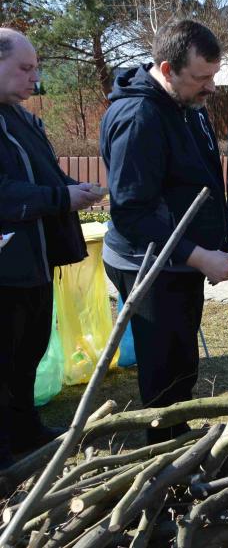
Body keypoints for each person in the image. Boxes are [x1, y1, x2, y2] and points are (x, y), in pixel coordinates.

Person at [101, 20, 228, 443]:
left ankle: (178, 442)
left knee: (181, 360)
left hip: (178, 260)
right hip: (147, 264)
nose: (212, 88)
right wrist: (200, 256)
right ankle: (162, 456)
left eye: (214, 75)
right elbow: (133, 213)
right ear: (167, 69)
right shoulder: (138, 117)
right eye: (202, 78)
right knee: (164, 369)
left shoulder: (186, 106)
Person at [0, 29, 104, 466]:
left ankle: (26, 430)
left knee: (30, 350)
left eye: (36, 68)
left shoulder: (22, 117)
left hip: (38, 263)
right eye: (25, 69)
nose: (34, 78)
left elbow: (45, 176)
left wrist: (71, 187)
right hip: (6, 269)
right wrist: (62, 198)